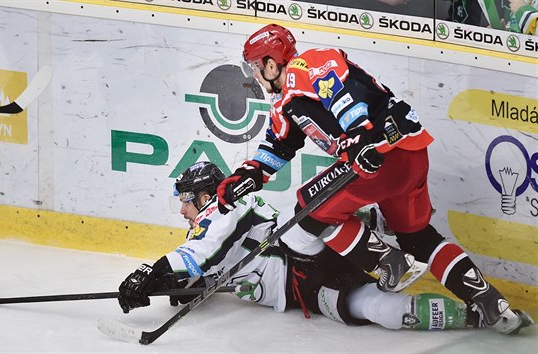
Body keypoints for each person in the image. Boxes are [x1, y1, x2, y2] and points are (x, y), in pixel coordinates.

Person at [215, 24, 533, 335]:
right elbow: (278, 146)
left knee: (308, 210)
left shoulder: (307, 64)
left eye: (255, 67)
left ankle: (390, 262)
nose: (254, 76)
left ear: (271, 63)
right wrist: (246, 177)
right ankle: (492, 305)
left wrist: (358, 137)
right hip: (406, 156)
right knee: (418, 237)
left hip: (381, 152)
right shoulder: (285, 105)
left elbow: (341, 94)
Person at [117, 161, 474, 331]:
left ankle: (380, 231)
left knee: (302, 221)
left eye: (186, 200)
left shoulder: (227, 207)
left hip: (300, 254)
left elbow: (204, 252)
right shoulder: (201, 231)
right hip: (302, 289)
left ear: (207, 196)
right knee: (375, 309)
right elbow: (202, 271)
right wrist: (166, 286)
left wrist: (148, 272)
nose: (182, 210)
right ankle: (469, 317)